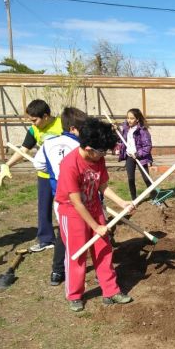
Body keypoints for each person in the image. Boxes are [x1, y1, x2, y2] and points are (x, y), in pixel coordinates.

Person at [54, 117, 135, 312]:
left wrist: (122, 202)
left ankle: (111, 291)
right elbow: (76, 202)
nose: (103, 155)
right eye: (101, 151)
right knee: (77, 254)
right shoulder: (70, 165)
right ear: (89, 148)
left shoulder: (98, 160)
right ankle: (74, 294)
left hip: (94, 207)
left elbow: (103, 186)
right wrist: (96, 226)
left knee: (103, 249)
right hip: (72, 212)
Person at [0, 99, 63, 252]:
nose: (33, 123)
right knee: (43, 206)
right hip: (45, 174)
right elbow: (23, 150)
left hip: (63, 174)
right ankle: (46, 239)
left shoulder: (63, 124)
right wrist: (7, 165)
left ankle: (75, 234)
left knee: (69, 205)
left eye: (35, 120)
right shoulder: (34, 130)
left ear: (46, 116)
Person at [33, 107, 87, 286]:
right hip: (80, 196)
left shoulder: (49, 143)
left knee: (64, 233)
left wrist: (54, 175)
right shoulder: (80, 145)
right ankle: (65, 267)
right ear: (73, 128)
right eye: (82, 127)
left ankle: (57, 271)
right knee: (82, 229)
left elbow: (38, 164)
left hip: (60, 197)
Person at [118, 108, 153, 200]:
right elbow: (121, 139)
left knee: (146, 178)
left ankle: (154, 196)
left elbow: (147, 146)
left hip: (141, 157)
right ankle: (134, 199)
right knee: (130, 179)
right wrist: (116, 130)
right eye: (128, 118)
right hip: (129, 157)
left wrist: (138, 154)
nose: (129, 120)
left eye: (132, 118)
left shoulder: (142, 131)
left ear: (137, 119)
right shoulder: (126, 128)